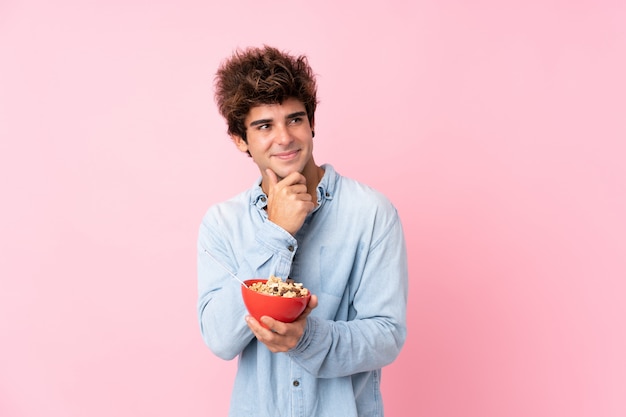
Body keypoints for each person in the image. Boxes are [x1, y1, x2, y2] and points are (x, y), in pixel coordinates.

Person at [197, 45, 408, 417]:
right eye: (264, 126)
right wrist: (275, 232)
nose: (285, 138)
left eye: (294, 120)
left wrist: (307, 339)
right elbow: (220, 338)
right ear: (239, 140)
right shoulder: (222, 224)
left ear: (312, 123)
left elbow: (387, 335)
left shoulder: (371, 212)